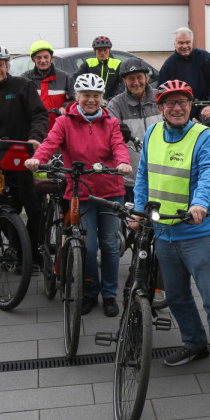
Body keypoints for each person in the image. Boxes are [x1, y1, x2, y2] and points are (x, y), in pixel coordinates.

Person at [131, 80, 210, 390]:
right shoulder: (152, 134)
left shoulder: (201, 135)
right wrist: (138, 210)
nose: (177, 108)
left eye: (183, 102)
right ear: (160, 107)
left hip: (196, 232)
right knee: (176, 295)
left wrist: (201, 204)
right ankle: (194, 343)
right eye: (170, 103)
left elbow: (209, 172)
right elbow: (143, 175)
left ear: (191, 106)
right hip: (163, 231)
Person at [26, 73, 132, 317]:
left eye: (96, 95)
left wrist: (123, 163)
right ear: (77, 96)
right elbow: (50, 143)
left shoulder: (111, 122)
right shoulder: (65, 122)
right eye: (86, 95)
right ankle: (89, 291)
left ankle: (108, 294)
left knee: (109, 244)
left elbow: (118, 146)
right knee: (87, 245)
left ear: (102, 98)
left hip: (109, 191)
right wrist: (37, 159)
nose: (91, 100)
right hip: (80, 191)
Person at [0, 44, 48, 260]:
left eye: (0, 65)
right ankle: (18, 249)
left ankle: (32, 254)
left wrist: (35, 138)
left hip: (25, 158)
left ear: (7, 66)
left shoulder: (22, 86)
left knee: (35, 209)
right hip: (0, 162)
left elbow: (39, 115)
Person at [106, 58, 162, 204]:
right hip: (131, 178)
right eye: (131, 78)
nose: (136, 82)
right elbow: (111, 136)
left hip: (161, 176)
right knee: (134, 222)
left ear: (147, 78)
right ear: (124, 81)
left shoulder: (161, 98)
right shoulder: (116, 105)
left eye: (139, 77)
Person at [158, 27, 210, 132]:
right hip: (179, 105)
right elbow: (161, 88)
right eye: (181, 43)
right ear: (175, 44)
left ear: (192, 42)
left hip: (203, 104)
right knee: (175, 127)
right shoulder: (169, 64)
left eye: (187, 42)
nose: (185, 46)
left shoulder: (204, 57)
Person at [23, 40, 75, 131]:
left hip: (59, 129)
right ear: (33, 59)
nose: (43, 60)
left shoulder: (65, 78)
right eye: (38, 57)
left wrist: (64, 107)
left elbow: (74, 99)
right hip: (34, 130)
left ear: (51, 58)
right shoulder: (25, 79)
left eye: (46, 57)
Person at [75, 36, 123, 101]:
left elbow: (124, 83)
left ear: (110, 50)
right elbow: (75, 78)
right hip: (92, 100)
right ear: (94, 51)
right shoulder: (89, 63)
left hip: (112, 101)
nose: (102, 53)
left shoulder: (117, 64)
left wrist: (115, 98)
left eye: (105, 50)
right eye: (99, 50)